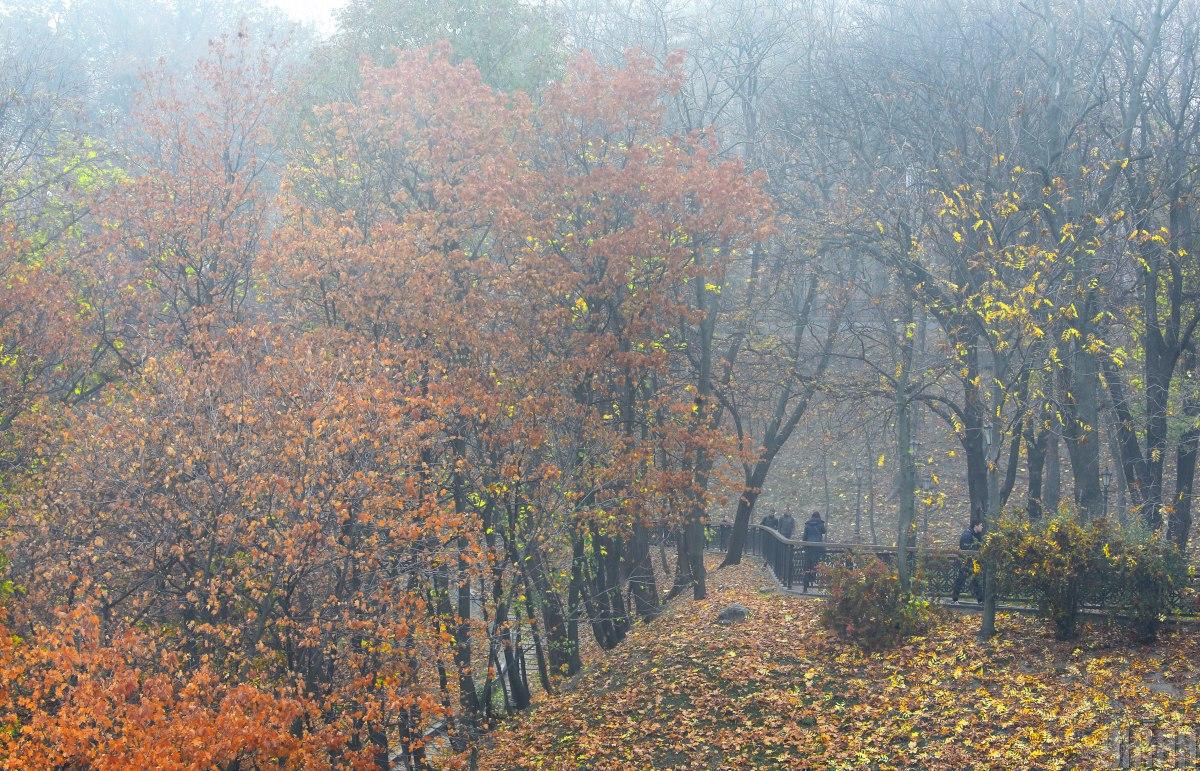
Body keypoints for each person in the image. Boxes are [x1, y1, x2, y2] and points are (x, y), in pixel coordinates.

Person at [951, 521, 985, 604]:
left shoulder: (975, 535)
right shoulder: (967, 535)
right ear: (975, 526)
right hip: (966, 562)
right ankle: (955, 599)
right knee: (961, 580)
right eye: (981, 525)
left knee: (974, 580)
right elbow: (965, 548)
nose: (982, 527)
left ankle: (980, 600)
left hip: (972, 562)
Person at [801, 511, 827, 592]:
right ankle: (813, 578)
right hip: (817, 547)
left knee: (807, 566)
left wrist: (804, 544)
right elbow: (824, 531)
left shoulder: (807, 524)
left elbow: (804, 536)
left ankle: (805, 587)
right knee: (815, 564)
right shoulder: (820, 523)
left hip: (808, 547)